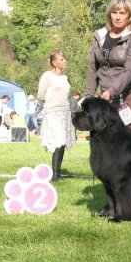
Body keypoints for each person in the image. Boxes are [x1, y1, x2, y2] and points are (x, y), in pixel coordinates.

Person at [85, 0, 131, 133]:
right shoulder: (99, 36)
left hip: (130, 98)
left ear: (129, 15)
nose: (118, 17)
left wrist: (111, 91)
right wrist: (89, 99)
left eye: (122, 13)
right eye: (114, 12)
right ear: (109, 14)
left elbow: (130, 70)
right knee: (104, 144)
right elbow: (93, 69)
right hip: (105, 100)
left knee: (128, 146)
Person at [37, 50, 76, 182]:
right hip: (53, 112)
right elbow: (40, 95)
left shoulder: (65, 78)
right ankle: (55, 175)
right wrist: (51, 103)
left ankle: (57, 174)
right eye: (61, 60)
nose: (64, 61)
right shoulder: (47, 76)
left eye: (64, 59)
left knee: (63, 142)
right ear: (54, 62)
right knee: (58, 141)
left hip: (65, 112)